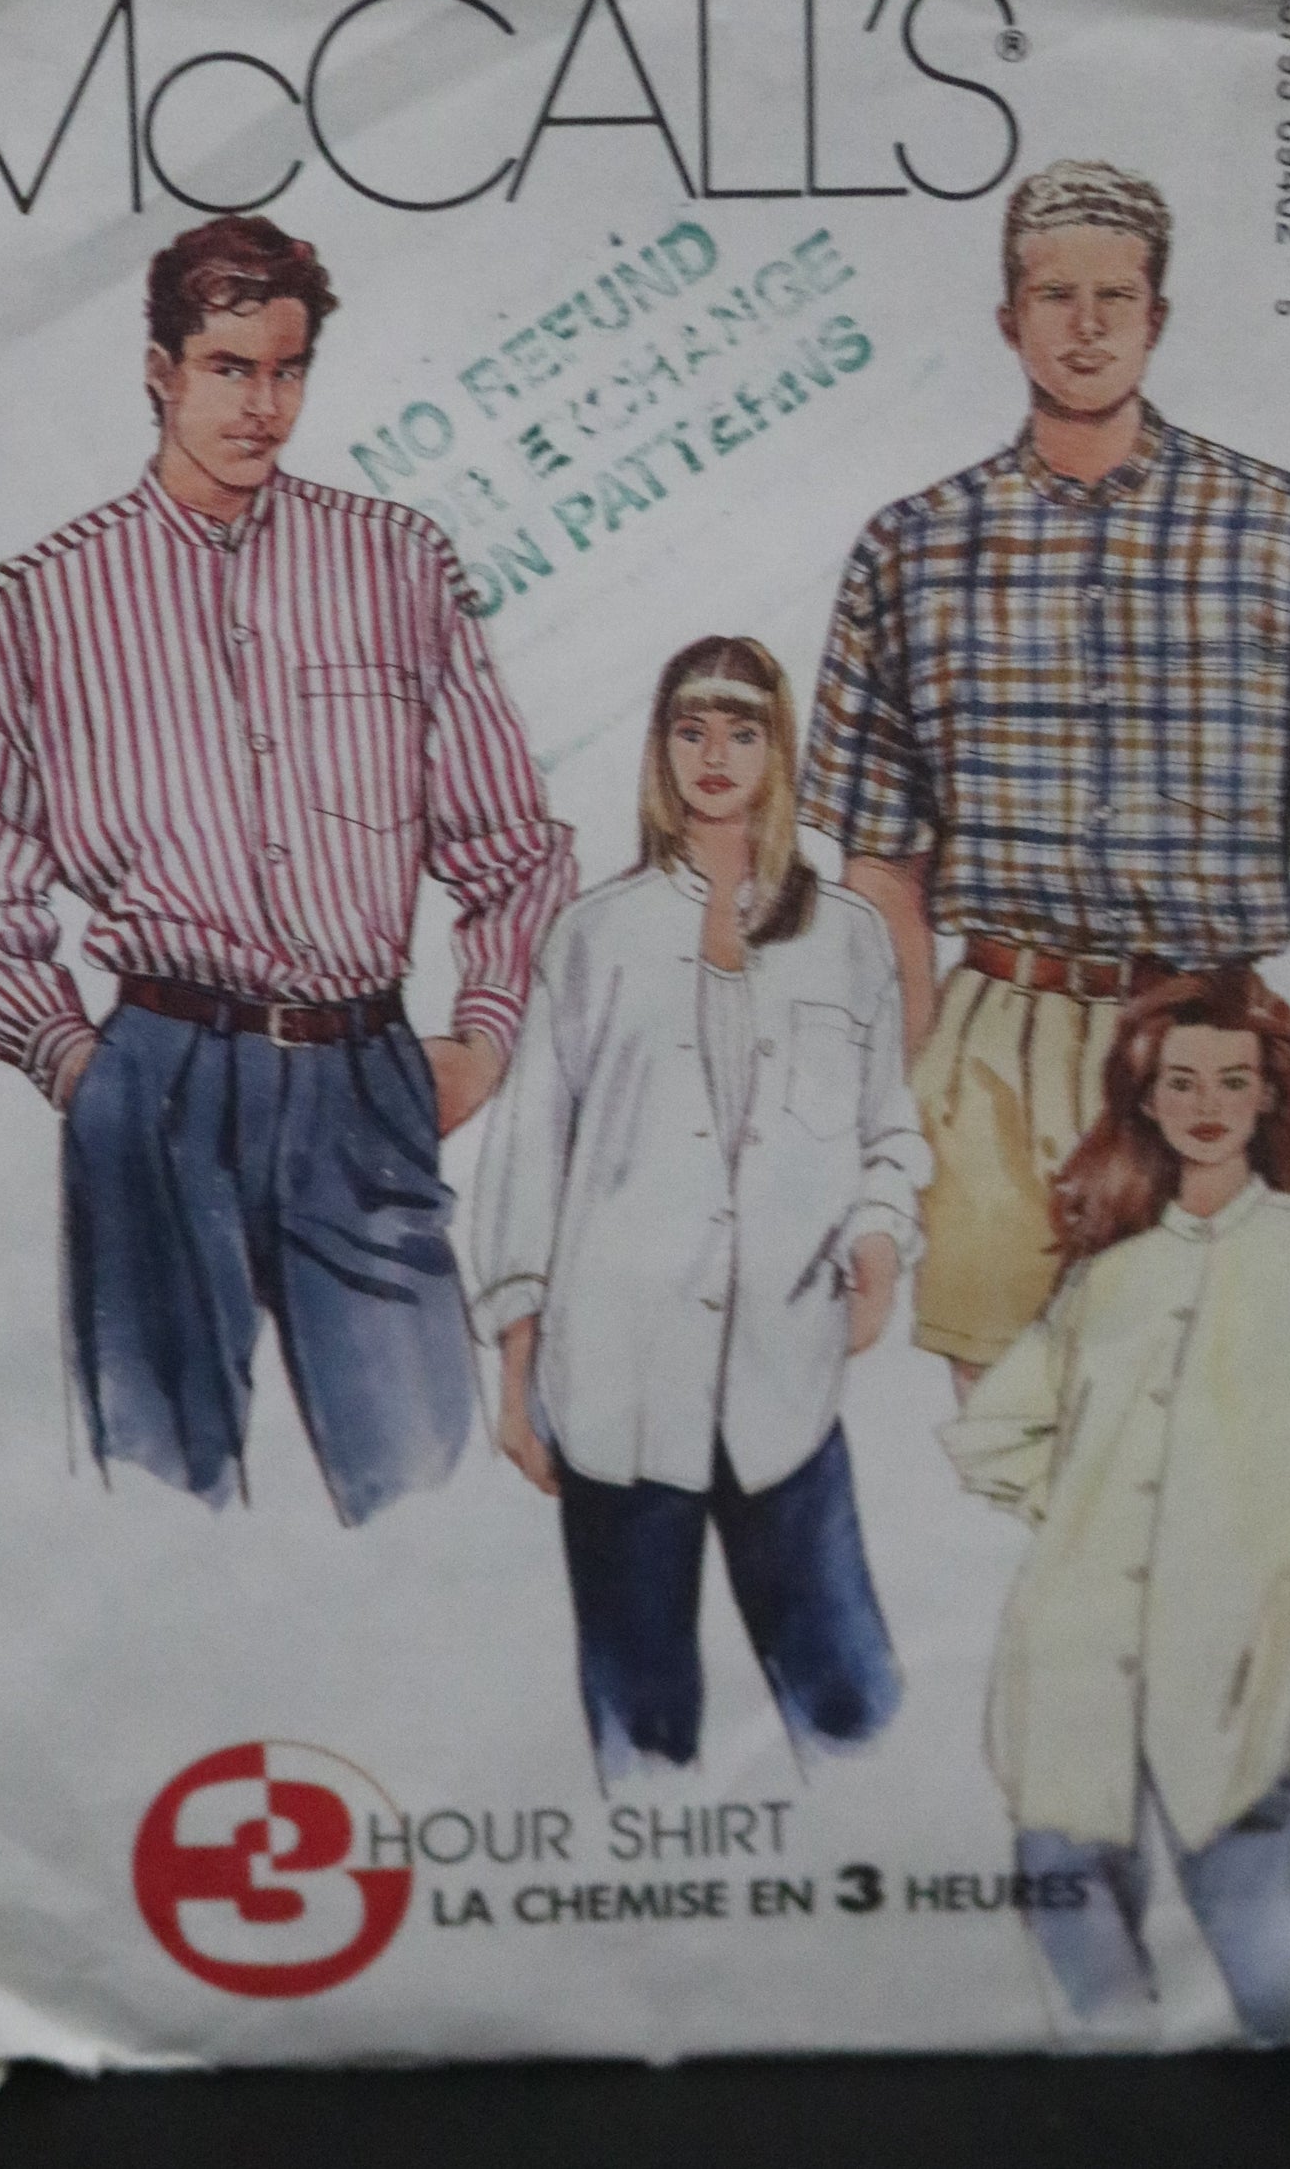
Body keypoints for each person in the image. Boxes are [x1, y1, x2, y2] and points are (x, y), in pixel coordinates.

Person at [0, 215, 576, 1524]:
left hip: (361, 1075)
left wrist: (487, 1033)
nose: (261, 406)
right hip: (156, 1071)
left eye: (286, 369)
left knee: (422, 1475)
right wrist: (78, 1067)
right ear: (160, 371)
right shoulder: (34, 603)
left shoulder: (397, 562)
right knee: (157, 1505)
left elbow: (512, 844)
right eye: (227, 368)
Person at [798, 158, 1290, 1398]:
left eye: (1116, 297)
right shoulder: (910, 550)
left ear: (1158, 315)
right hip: (994, 1041)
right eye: (1055, 295)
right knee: (1012, 1437)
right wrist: (908, 1103)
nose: (1086, 327)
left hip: (1208, 1039)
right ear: (1008, 319)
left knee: (1200, 1435)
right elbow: (881, 876)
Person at [942, 968, 1290, 2041]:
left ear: (1270, 1094)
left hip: (1233, 1671)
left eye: (1231, 1079)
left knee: (1283, 1987)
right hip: (1068, 1669)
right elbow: (993, 1430)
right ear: (1145, 1098)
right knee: (1088, 1994)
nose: (1206, 1103)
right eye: (1180, 1081)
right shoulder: (1110, 1272)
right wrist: (1082, 1514)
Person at [470, 637, 927, 1779]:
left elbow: (888, 1127)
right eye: (689, 729)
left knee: (848, 1698)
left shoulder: (846, 937)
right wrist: (517, 1378)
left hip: (786, 1378)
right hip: (615, 1385)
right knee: (642, 1720)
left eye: (741, 730)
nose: (714, 755)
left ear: (779, 749)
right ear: (658, 748)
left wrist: (879, 1233)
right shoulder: (593, 936)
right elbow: (527, 1161)